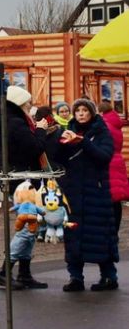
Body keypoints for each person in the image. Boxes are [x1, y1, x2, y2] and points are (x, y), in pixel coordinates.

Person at [0, 86, 51, 289]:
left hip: (21, 178)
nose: (30, 107)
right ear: (20, 104)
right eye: (28, 103)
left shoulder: (11, 121)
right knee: (26, 228)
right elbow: (34, 148)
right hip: (21, 179)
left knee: (31, 226)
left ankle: (24, 273)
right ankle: (5, 272)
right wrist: (41, 131)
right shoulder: (15, 123)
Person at [52, 98, 119, 291]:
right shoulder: (70, 128)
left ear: (92, 112)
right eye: (78, 110)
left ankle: (108, 276)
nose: (81, 113)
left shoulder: (101, 131)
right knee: (73, 233)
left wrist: (83, 143)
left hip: (96, 191)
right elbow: (58, 158)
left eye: (84, 110)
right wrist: (61, 141)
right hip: (73, 191)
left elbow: (104, 156)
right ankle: (76, 278)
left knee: (100, 234)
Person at [99, 100, 129, 236]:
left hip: (107, 162)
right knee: (116, 200)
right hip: (117, 161)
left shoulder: (104, 125)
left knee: (107, 200)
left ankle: (109, 231)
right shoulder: (115, 124)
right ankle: (114, 230)